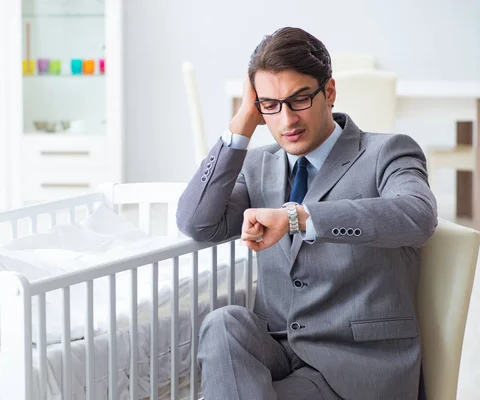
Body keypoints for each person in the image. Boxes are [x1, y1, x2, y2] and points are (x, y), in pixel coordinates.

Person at [176, 27, 437, 400]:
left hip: (357, 365)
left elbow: (417, 215)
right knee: (223, 323)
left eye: (299, 100)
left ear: (329, 92)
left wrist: (300, 218)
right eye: (270, 105)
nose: (286, 120)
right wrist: (243, 124)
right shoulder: (258, 166)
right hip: (282, 350)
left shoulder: (387, 152)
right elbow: (196, 222)